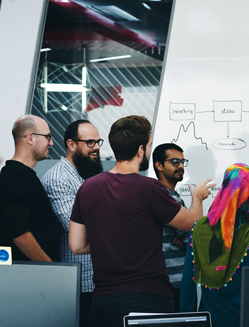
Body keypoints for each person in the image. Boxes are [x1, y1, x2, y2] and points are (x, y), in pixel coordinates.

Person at [69, 115, 214, 327]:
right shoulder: (150, 188)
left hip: (103, 301)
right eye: (149, 145)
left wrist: (112, 243)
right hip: (149, 300)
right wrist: (198, 197)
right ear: (140, 150)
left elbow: (77, 245)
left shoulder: (88, 187)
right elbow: (192, 223)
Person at [180, 163, 249, 327]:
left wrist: (186, 322)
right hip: (247, 320)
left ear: (225, 187)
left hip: (209, 320)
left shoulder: (199, 228)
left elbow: (188, 284)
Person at [41, 119, 103, 327]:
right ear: (71, 144)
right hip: (80, 281)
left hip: (96, 279)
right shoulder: (59, 178)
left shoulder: (84, 174)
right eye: (90, 143)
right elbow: (77, 230)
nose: (97, 148)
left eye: (98, 142)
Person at [0, 114, 60, 262]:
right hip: (30, 276)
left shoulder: (20, 175)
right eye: (47, 137)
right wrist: (49, 267)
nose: (51, 143)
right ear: (30, 138)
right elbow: (17, 229)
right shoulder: (18, 176)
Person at [152, 142, 195, 310]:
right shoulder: (165, 196)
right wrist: (197, 198)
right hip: (171, 280)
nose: (181, 166)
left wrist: (184, 240)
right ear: (159, 165)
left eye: (183, 162)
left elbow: (187, 237)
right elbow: (194, 232)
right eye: (175, 162)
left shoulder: (173, 196)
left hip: (174, 279)